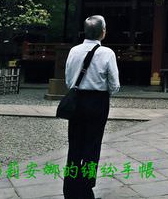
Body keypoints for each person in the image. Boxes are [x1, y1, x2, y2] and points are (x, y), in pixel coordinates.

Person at [63, 15, 120, 199]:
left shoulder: (73, 51)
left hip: (76, 99)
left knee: (75, 145)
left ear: (85, 31)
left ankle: (70, 189)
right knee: (91, 146)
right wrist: (105, 93)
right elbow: (114, 84)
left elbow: (68, 78)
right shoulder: (107, 53)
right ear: (103, 32)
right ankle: (86, 189)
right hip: (97, 102)